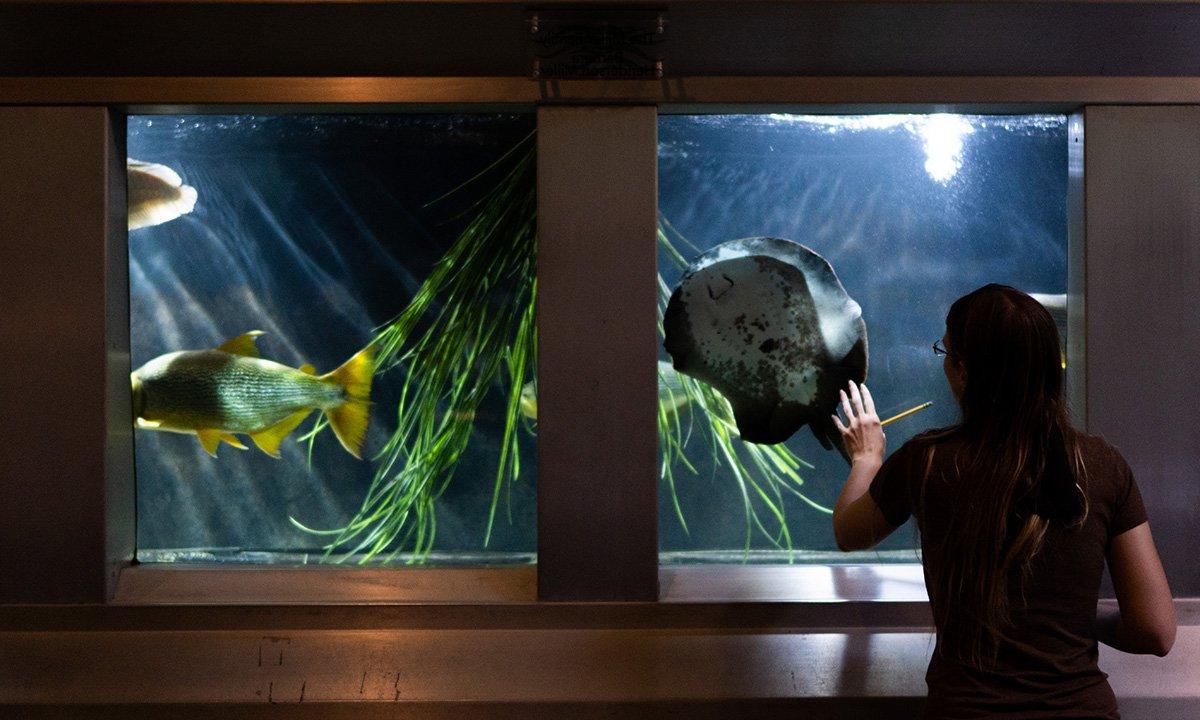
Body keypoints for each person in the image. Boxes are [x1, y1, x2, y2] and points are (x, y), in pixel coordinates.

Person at [830, 284, 1175, 719]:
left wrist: (866, 458)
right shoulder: (1102, 465)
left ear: (962, 370)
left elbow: (849, 532)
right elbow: (1156, 631)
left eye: (946, 353)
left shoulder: (929, 460)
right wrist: (1079, 616)